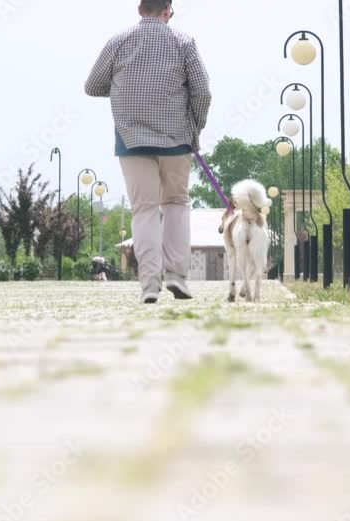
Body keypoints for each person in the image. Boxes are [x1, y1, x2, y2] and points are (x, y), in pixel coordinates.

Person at [85, 0, 212, 304]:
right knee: (176, 204)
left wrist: (122, 87)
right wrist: (196, 129)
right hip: (177, 140)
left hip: (132, 141)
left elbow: (92, 86)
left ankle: (149, 286)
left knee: (144, 210)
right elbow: (203, 92)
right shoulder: (184, 42)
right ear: (167, 10)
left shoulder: (117, 42)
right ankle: (178, 277)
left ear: (140, 9)